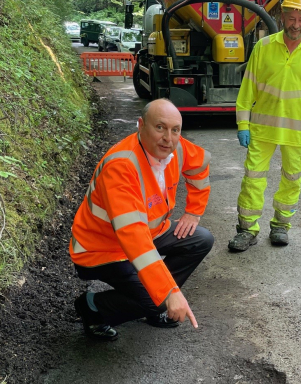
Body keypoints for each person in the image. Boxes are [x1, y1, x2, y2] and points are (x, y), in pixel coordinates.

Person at [69, 99, 214, 340]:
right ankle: (92, 307)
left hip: (151, 233)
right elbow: (133, 237)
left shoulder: (174, 147)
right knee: (159, 298)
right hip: (103, 248)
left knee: (201, 240)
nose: (168, 137)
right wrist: (168, 292)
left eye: (175, 130)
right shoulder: (121, 167)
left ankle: (148, 299)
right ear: (140, 125)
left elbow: (200, 166)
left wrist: (194, 211)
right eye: (160, 127)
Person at [228, 0, 301, 251]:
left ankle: (280, 226)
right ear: (282, 15)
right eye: (291, 17)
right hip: (262, 129)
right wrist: (243, 124)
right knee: (252, 179)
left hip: (296, 133)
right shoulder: (263, 47)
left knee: (291, 180)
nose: (296, 24)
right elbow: (247, 91)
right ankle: (247, 229)